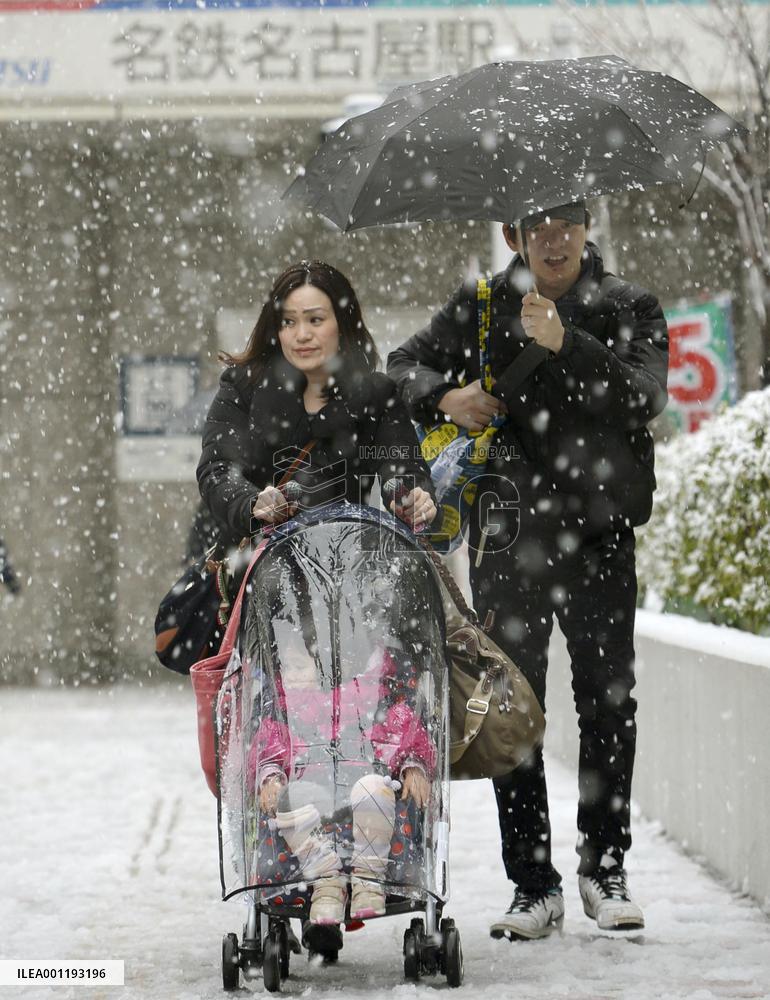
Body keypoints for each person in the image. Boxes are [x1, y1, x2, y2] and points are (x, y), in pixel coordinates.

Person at [387, 201, 668, 939]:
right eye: (536, 225)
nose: (553, 238)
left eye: (566, 222)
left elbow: (644, 398)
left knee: (608, 703)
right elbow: (401, 366)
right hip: (508, 535)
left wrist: (567, 342)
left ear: (586, 227)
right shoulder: (484, 305)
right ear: (513, 235)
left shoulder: (629, 304)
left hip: (602, 534)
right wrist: (449, 396)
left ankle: (605, 867)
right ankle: (533, 883)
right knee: (511, 706)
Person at [197, 259, 437, 546]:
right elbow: (218, 470)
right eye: (288, 322)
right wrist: (252, 503)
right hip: (254, 561)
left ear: (343, 323)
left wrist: (412, 498)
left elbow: (403, 467)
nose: (301, 335)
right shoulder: (243, 386)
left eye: (315, 320)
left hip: (344, 561)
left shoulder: (376, 395)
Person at [248, 631, 435, 927]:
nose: (290, 675)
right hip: (309, 786)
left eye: (299, 667)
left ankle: (369, 878)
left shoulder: (373, 694)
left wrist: (412, 763)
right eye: (286, 667)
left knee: (373, 790)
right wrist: (270, 773)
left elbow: (403, 731)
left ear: (326, 665)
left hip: (368, 781)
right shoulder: (282, 705)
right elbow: (269, 742)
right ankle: (326, 879)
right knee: (288, 799)